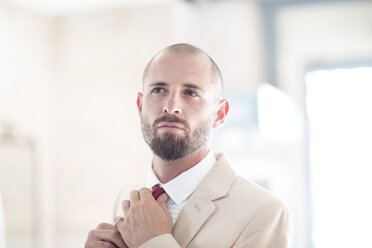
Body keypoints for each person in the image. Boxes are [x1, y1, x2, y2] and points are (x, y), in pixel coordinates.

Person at [85, 43, 293, 248]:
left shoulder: (265, 214)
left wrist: (152, 243)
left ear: (219, 114)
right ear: (140, 106)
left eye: (191, 93)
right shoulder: (126, 195)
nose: (171, 106)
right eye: (158, 90)